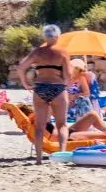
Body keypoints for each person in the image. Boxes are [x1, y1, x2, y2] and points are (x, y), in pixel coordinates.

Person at [17, 26, 72, 156]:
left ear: (45, 37)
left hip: (40, 87)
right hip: (57, 87)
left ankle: (38, 158)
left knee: (39, 126)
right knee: (62, 125)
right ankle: (62, 154)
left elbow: (21, 68)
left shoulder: (37, 52)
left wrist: (26, 84)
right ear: (58, 36)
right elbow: (68, 75)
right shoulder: (62, 52)